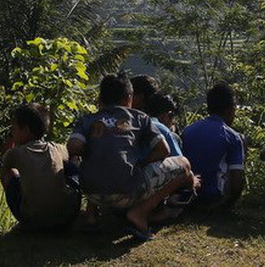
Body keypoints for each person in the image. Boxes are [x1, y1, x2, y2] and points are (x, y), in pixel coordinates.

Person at [68, 72, 195, 241]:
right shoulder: (139, 118)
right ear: (129, 98)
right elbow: (163, 150)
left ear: (100, 99)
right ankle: (140, 213)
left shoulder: (87, 120)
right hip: (128, 192)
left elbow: (73, 147)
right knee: (184, 165)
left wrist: (93, 148)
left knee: (96, 161)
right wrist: (141, 163)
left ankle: (91, 216)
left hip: (91, 191)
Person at [1, 103, 81, 230]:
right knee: (72, 162)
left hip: (33, 221)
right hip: (66, 217)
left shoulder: (15, 153)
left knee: (10, 173)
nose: (12, 132)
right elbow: (70, 156)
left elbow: (4, 162)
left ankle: (23, 217)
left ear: (26, 131)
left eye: (14, 129)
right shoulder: (57, 148)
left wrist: (11, 140)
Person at [182, 84, 245, 210]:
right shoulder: (233, 137)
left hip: (189, 193)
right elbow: (236, 182)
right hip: (214, 196)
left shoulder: (188, 130)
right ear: (231, 110)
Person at [145, 92, 183, 157]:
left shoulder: (138, 124)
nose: (173, 122)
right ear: (168, 115)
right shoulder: (165, 132)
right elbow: (182, 162)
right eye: (172, 117)